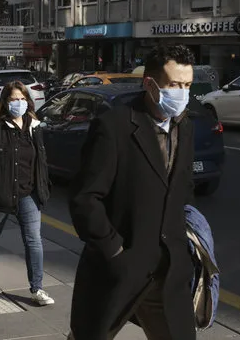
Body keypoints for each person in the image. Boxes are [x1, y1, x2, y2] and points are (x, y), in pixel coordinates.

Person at [67, 44, 197, 340]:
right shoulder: (114, 126)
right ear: (149, 84)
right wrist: (114, 251)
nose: (182, 93)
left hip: (168, 272)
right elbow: (86, 198)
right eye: (174, 85)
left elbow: (182, 188)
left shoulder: (184, 126)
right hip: (120, 269)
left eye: (187, 85)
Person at [0, 81, 53, 306]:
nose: (19, 103)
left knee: (33, 240)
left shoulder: (35, 127)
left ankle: (37, 288)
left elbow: (41, 161)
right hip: (2, 194)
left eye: (22, 99)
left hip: (29, 194)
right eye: (14, 99)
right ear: (5, 102)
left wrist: (44, 186)